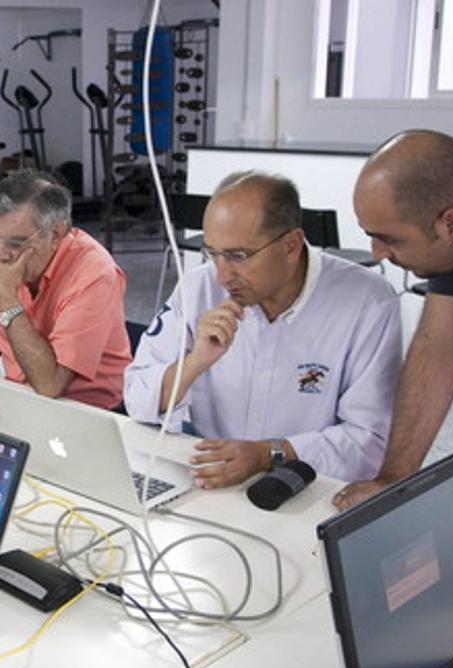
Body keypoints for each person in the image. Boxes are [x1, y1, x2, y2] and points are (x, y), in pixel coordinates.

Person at [339, 129, 453, 615]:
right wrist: (392, 480)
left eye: (387, 238)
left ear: (452, 224)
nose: (379, 253)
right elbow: (437, 347)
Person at [124, 171, 402, 488]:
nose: (221, 276)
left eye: (238, 256)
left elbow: (368, 442)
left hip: (309, 489)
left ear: (291, 245)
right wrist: (195, 361)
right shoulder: (197, 289)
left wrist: (268, 454)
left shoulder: (368, 302)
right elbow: (136, 398)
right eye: (212, 253)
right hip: (211, 480)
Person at [0, 170, 133, 409]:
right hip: (20, 399)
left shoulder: (95, 274)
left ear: (55, 234)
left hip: (88, 411)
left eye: (16, 243)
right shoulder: (4, 258)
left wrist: (7, 300)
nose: (1, 254)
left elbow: (50, 385)